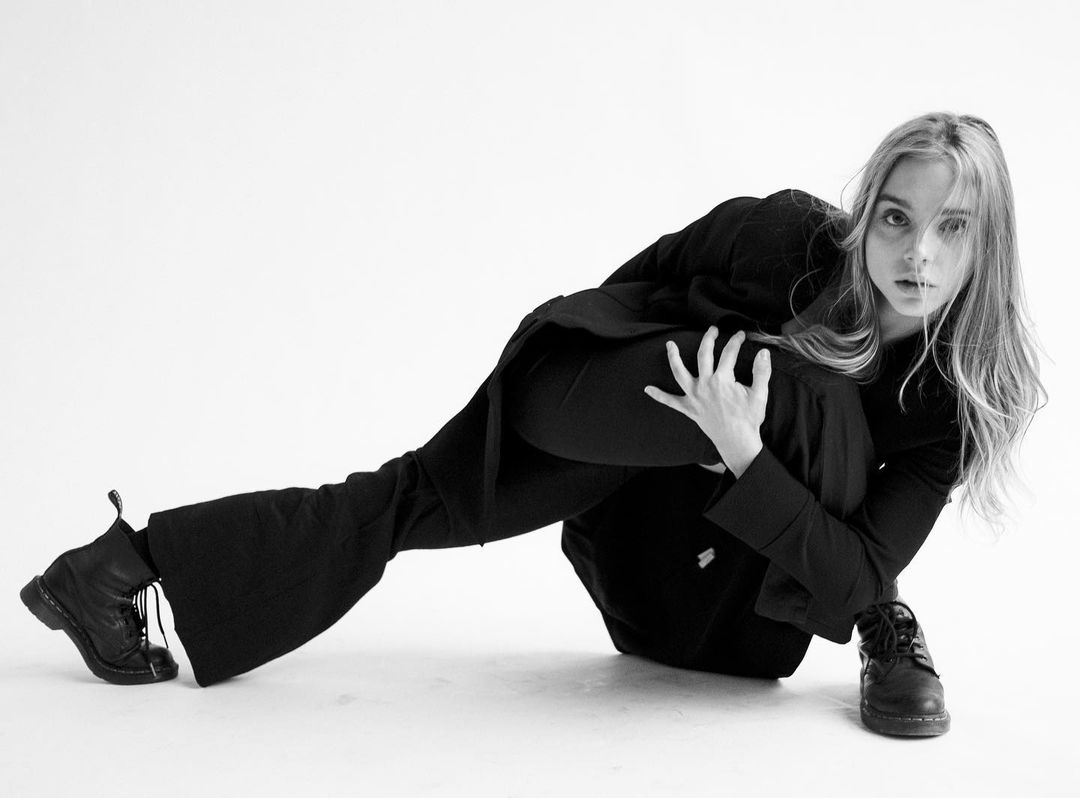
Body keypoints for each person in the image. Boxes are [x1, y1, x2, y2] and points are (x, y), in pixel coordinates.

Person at [20, 111, 1044, 737]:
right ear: (869, 215)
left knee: (813, 405)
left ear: (984, 244)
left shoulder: (944, 412)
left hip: (722, 624)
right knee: (415, 496)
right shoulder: (786, 237)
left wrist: (740, 445)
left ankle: (114, 568)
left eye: (951, 227)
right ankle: (117, 570)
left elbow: (857, 583)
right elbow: (630, 292)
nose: (916, 253)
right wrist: (661, 412)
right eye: (898, 218)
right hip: (615, 422)